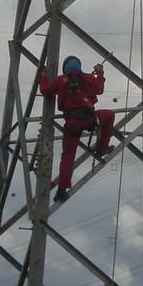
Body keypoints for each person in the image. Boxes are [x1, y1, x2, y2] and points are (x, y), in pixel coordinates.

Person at [39, 55, 116, 201]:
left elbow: (45, 90)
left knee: (67, 155)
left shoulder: (60, 80)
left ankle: (61, 189)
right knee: (109, 115)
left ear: (65, 68)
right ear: (79, 67)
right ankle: (102, 147)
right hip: (89, 120)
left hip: (71, 125)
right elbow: (99, 89)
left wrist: (42, 77)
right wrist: (100, 73)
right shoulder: (88, 78)